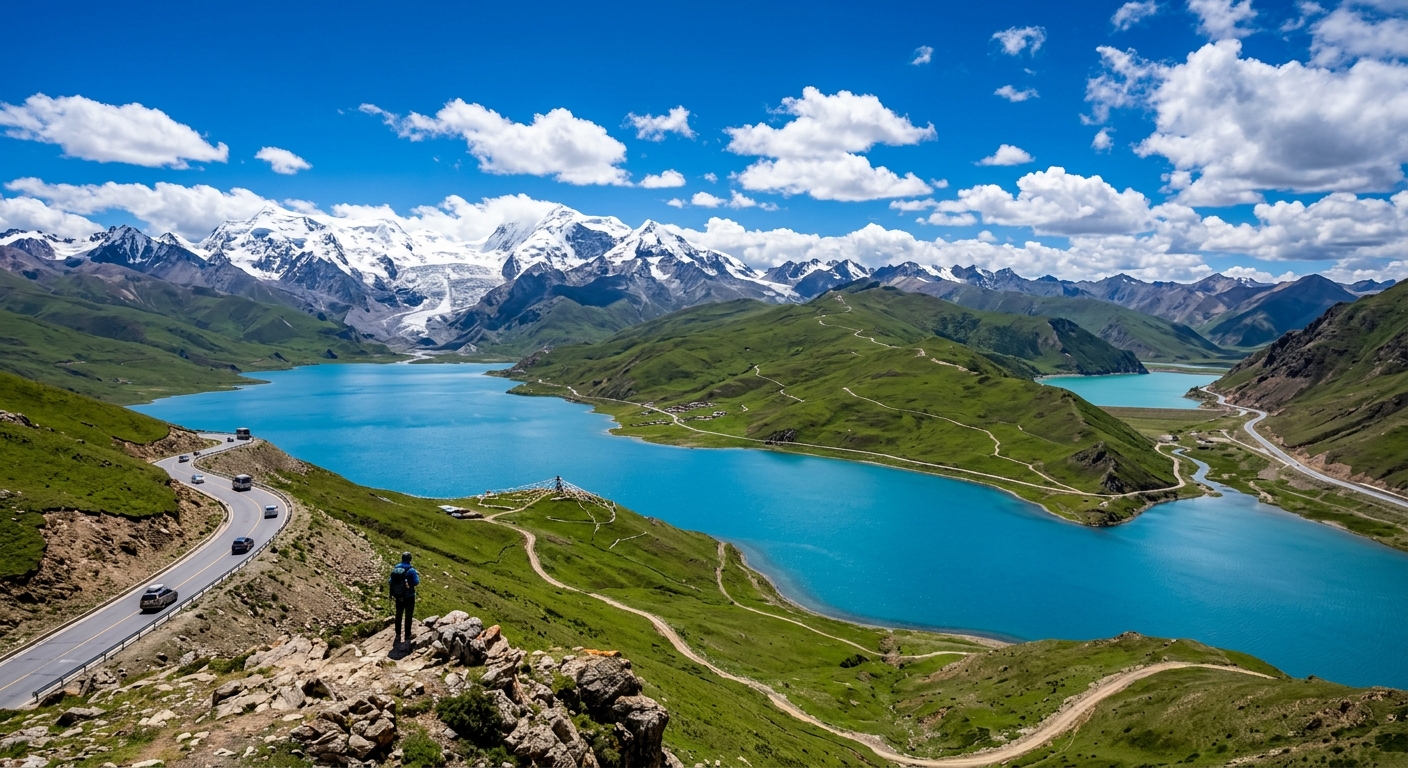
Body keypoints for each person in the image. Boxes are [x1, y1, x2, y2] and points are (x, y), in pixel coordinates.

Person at [388, 552, 420, 649]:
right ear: (410, 559)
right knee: (408, 616)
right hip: (409, 596)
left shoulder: (396, 569)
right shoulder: (411, 570)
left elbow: (390, 581)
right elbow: (416, 582)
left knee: (398, 614)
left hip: (398, 596)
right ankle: (407, 634)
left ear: (402, 558)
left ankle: (398, 634)